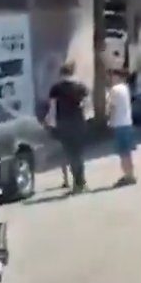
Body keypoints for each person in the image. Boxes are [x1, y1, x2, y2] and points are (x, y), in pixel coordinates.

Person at [47, 61, 89, 194]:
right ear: (72, 72)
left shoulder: (56, 89)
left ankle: (77, 183)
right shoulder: (80, 86)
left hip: (63, 123)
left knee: (70, 154)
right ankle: (81, 182)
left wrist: (51, 123)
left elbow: (53, 108)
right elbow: (87, 103)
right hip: (78, 123)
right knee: (79, 153)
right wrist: (85, 115)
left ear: (61, 73)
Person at [108, 69, 137, 187]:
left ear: (117, 77)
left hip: (119, 123)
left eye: (112, 77)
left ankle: (127, 176)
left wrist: (110, 121)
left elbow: (113, 108)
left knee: (123, 152)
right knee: (128, 152)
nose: (111, 79)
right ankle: (131, 174)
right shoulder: (126, 88)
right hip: (128, 122)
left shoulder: (114, 90)